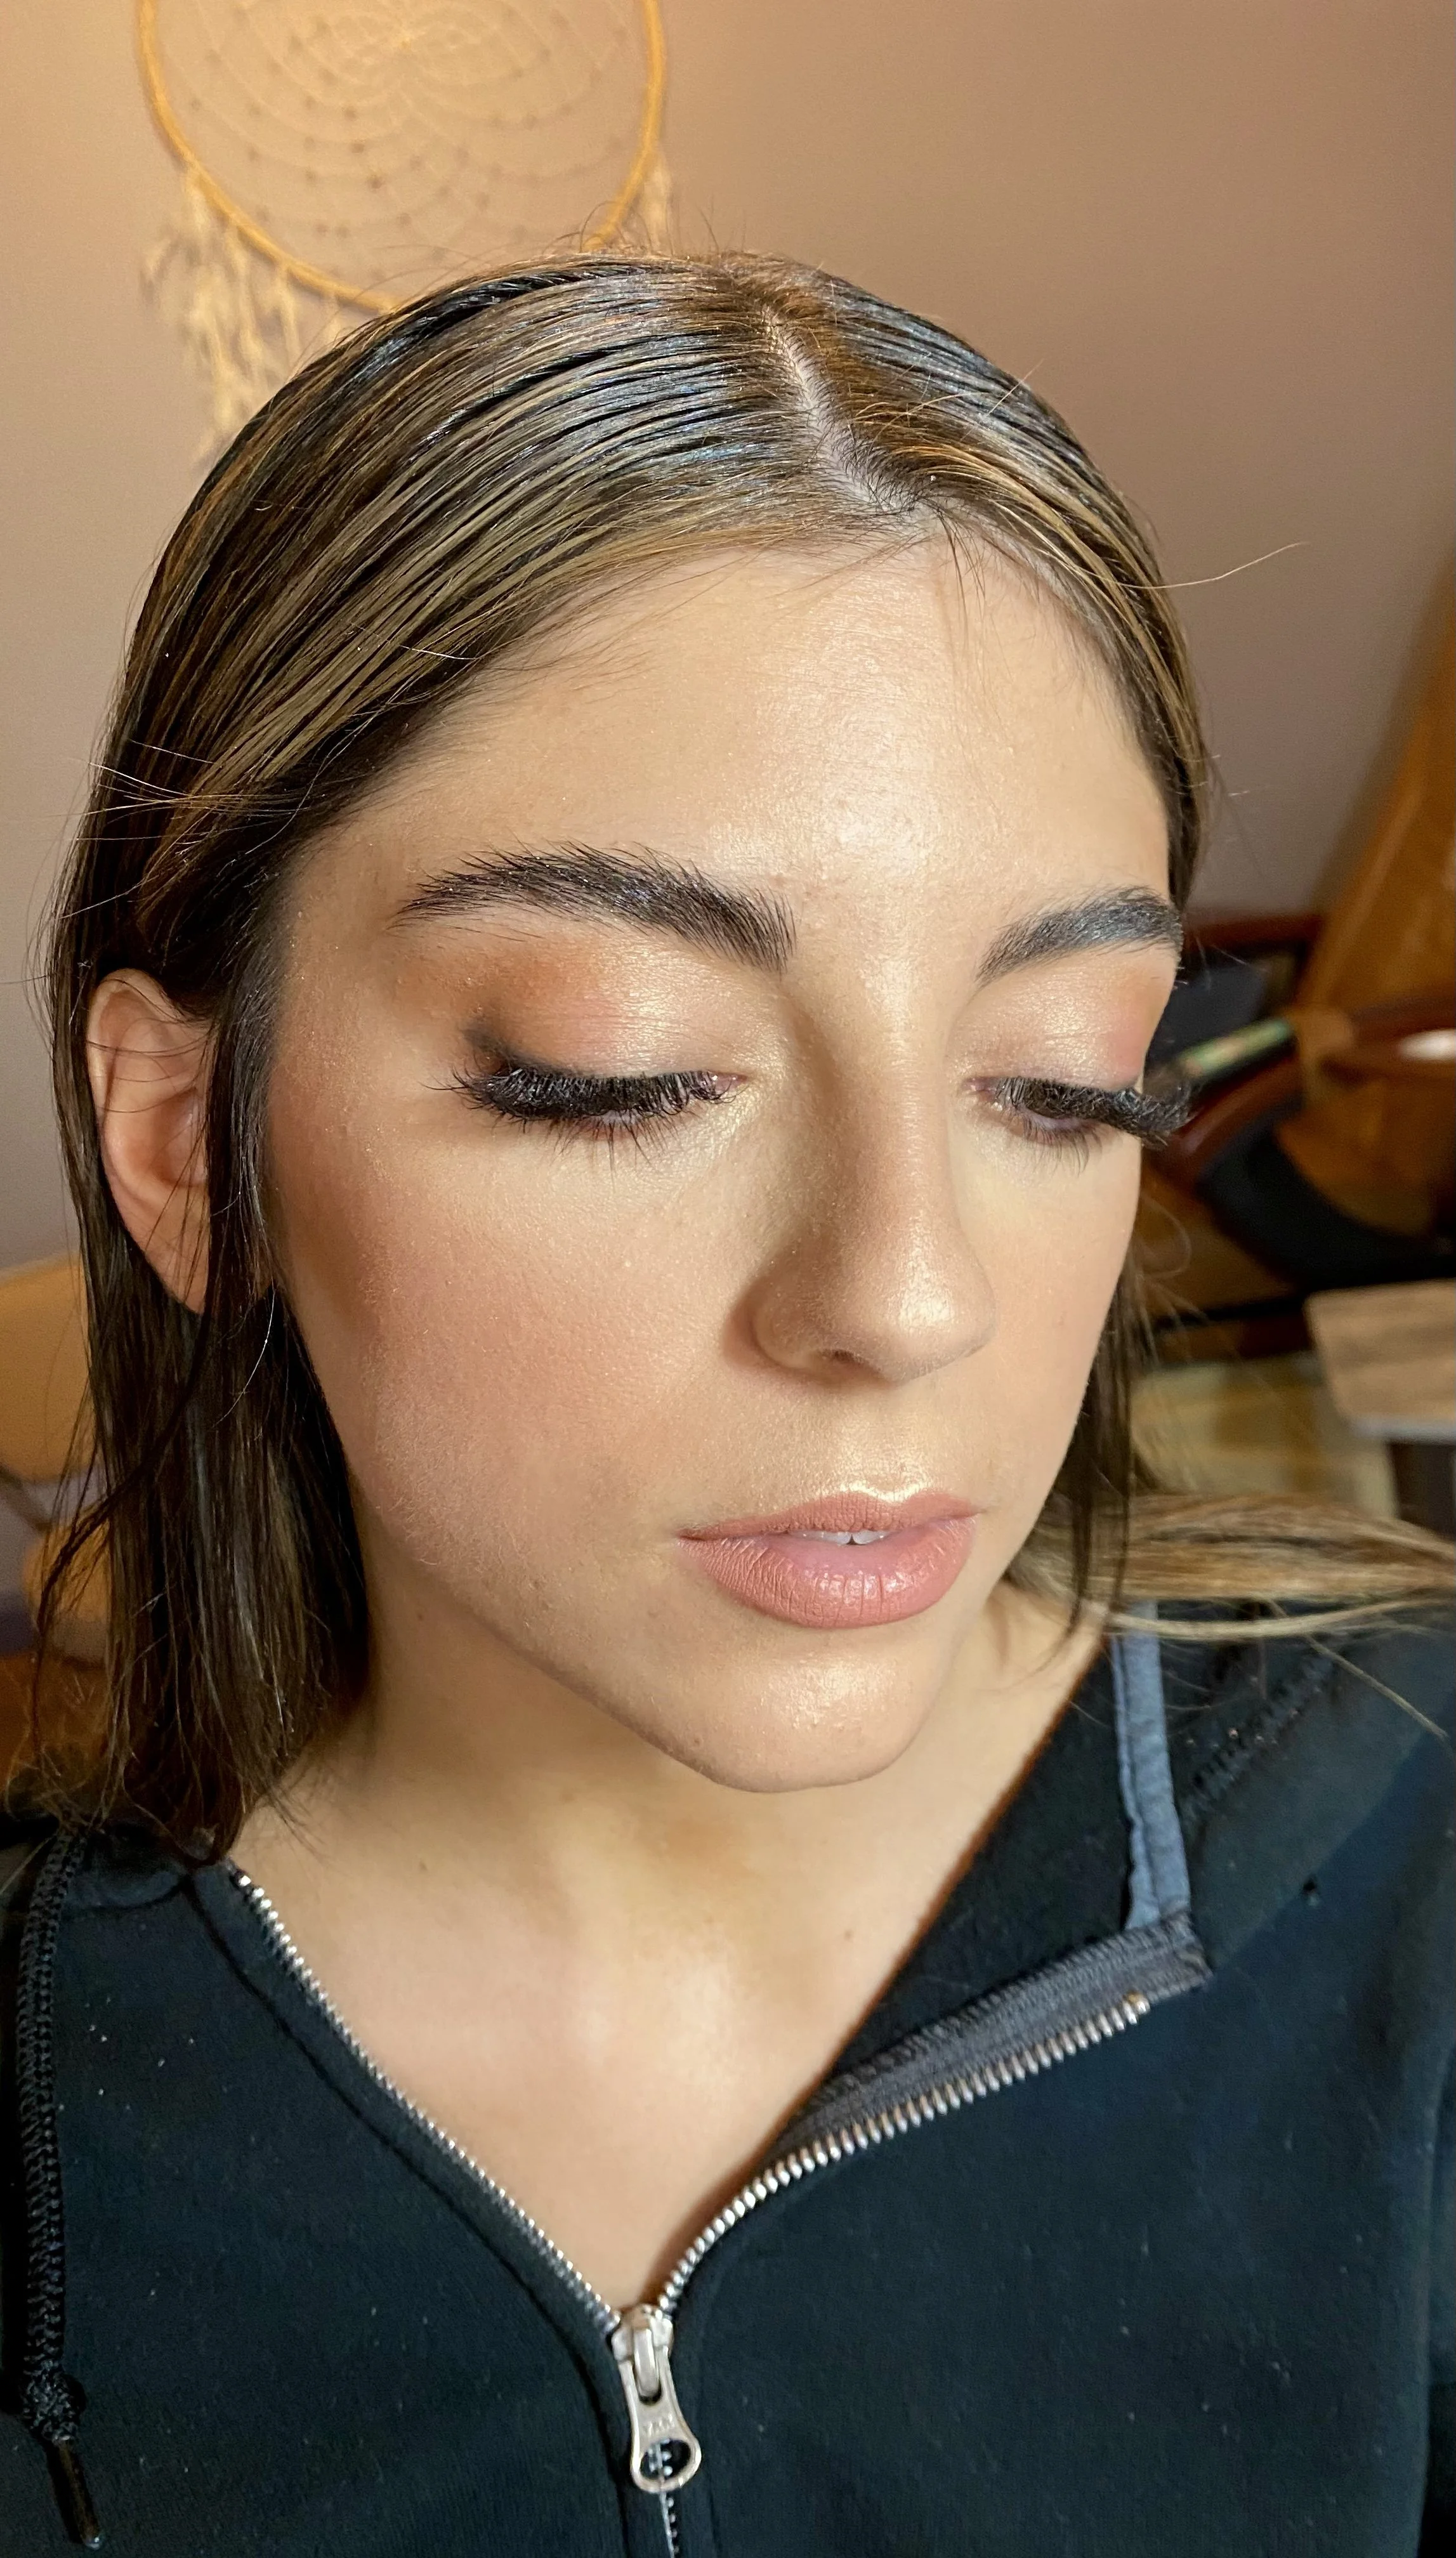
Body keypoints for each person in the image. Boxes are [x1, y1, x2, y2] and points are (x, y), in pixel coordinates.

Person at [0, 255, 1450, 2558]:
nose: (906, 1298)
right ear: (194, 1146)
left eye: (1059, 1088)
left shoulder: (1418, 1869)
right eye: (618, 1073)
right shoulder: (52, 2124)